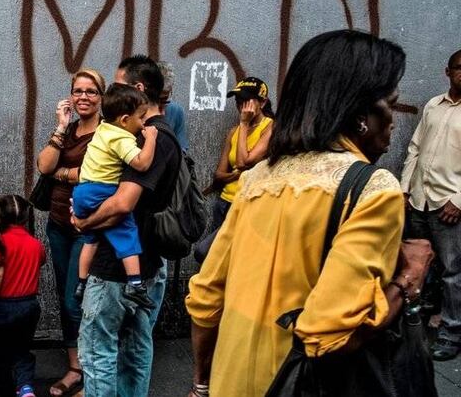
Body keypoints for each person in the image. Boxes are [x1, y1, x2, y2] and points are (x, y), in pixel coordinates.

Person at [185, 29, 433, 396]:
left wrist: (202, 383)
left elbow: (206, 299)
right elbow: (329, 335)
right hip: (299, 385)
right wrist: (409, 280)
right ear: (360, 114)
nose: (394, 120)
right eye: (390, 104)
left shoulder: (258, 178)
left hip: (231, 380)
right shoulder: (374, 189)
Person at [72, 54, 180, 397]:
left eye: (118, 86)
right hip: (145, 261)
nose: (110, 93)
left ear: (138, 89)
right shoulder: (159, 134)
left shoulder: (146, 137)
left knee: (98, 350)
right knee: (134, 348)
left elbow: (122, 203)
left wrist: (84, 221)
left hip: (116, 269)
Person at [36, 68, 105, 396]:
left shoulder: (107, 132)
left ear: (101, 97)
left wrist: (61, 173)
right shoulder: (69, 130)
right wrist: (61, 126)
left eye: (91, 91)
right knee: (65, 298)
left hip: (86, 227)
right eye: (78, 91)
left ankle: (90, 371)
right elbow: (44, 166)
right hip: (58, 225)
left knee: (75, 299)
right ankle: (75, 368)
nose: (83, 97)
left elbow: (95, 174)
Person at [72, 83, 158, 308]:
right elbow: (141, 163)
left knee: (90, 240)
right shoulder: (121, 138)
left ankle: (81, 282)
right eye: (141, 118)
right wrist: (151, 139)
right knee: (126, 232)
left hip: (82, 191)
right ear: (125, 120)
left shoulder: (103, 129)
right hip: (102, 190)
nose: (144, 123)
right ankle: (135, 283)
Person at [401, 48, 461, 361]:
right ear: (447, 72)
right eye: (459, 67)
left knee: (453, 273)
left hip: (448, 204)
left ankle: (451, 333)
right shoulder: (433, 105)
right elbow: (415, 148)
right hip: (420, 200)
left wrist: (459, 201)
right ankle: (415, 327)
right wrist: (405, 189)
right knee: (417, 266)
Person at [194, 77, 274, 261]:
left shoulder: (270, 128)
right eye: (238, 101)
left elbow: (243, 162)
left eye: (246, 101)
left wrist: (244, 124)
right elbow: (219, 174)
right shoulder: (234, 132)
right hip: (224, 203)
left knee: (209, 253)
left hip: (247, 203)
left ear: (262, 102)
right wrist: (237, 174)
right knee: (216, 261)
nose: (241, 106)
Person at [0, 195, 46, 397]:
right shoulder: (36, 244)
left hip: (3, 306)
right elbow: (40, 262)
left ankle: (4, 390)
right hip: (29, 306)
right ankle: (25, 388)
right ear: (26, 218)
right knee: (22, 350)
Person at [156, 61, 189, 151]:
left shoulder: (176, 111)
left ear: (171, 90)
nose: (161, 111)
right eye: (155, 100)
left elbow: (181, 147)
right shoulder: (138, 109)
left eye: (164, 100)